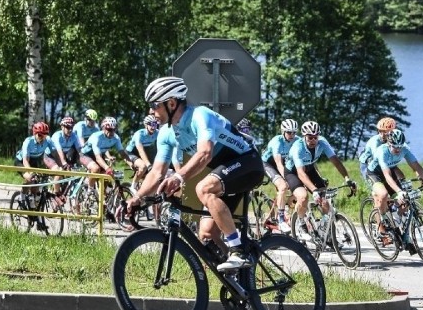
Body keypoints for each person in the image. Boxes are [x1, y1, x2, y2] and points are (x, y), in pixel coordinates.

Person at [123, 77, 265, 271]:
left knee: (204, 188)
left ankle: (238, 251)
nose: (151, 111)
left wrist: (178, 177)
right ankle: (242, 282)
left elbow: (205, 153)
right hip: (227, 170)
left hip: (248, 162)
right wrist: (137, 197)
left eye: (154, 105)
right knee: (206, 235)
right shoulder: (166, 133)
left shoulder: (200, 115)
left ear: (171, 103)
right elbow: (156, 172)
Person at [286, 121, 356, 242]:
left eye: (315, 137)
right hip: (293, 172)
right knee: (303, 197)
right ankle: (302, 224)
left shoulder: (322, 142)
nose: (313, 140)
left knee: (325, 201)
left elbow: (336, 161)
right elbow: (301, 174)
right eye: (310, 137)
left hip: (310, 168)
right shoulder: (298, 147)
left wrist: (347, 178)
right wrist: (314, 190)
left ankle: (325, 233)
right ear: (304, 136)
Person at [364, 128, 423, 252]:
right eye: (394, 147)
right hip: (375, 174)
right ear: (388, 143)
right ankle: (382, 222)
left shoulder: (404, 149)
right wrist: (399, 191)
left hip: (390, 172)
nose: (398, 150)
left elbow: (417, 167)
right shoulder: (382, 151)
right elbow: (386, 176)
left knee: (405, 203)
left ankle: (397, 225)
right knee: (383, 194)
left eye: (400, 146)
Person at [261, 118, 299, 232]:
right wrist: (285, 178)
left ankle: (285, 205)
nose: (291, 135)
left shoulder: (297, 141)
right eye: (289, 132)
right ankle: (281, 220)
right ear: (283, 132)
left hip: (284, 164)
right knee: (283, 186)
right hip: (268, 164)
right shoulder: (276, 141)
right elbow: (278, 163)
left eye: (294, 132)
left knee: (300, 187)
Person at [78, 117, 133, 189]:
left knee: (108, 176)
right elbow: (98, 158)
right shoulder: (96, 137)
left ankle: (102, 196)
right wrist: (107, 168)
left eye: (114, 130)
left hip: (99, 156)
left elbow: (122, 153)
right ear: (103, 128)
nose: (112, 132)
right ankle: (89, 190)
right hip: (85, 155)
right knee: (96, 169)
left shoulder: (116, 138)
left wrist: (131, 164)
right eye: (109, 130)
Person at [14, 122, 69, 192]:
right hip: (21, 162)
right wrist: (31, 173)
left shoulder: (48, 140)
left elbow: (55, 154)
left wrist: (61, 166)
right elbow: (26, 161)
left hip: (34, 161)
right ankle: (22, 196)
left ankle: (34, 199)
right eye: (40, 135)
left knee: (38, 184)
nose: (42, 138)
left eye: (44, 135)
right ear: (35, 134)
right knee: (30, 179)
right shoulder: (28, 142)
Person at [124, 115, 159, 187]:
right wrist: (148, 164)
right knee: (143, 166)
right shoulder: (139, 134)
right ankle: (132, 187)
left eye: (155, 124)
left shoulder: (157, 133)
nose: (154, 127)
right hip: (130, 153)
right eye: (152, 124)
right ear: (146, 125)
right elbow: (140, 150)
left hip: (142, 153)